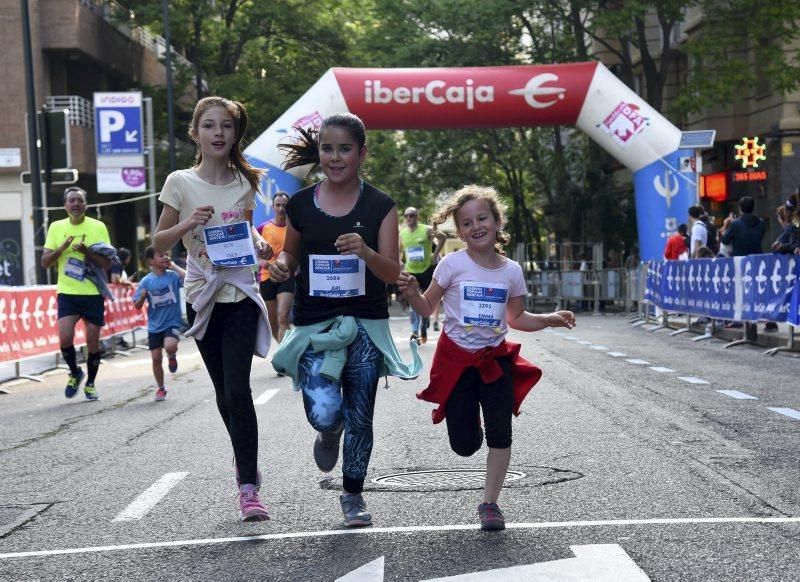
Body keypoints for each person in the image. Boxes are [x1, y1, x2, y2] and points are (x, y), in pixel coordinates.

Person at [269, 113, 421, 528]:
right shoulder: (299, 204)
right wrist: (282, 266)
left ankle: (353, 495)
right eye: (327, 148)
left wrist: (367, 253)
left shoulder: (380, 206)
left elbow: (394, 272)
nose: (335, 157)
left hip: (366, 324)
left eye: (344, 149)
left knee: (361, 415)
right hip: (316, 326)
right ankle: (328, 431)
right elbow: (291, 255)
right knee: (324, 413)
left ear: (361, 153)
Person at [397, 185, 575, 531]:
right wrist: (413, 293)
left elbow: (516, 319)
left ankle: (490, 503)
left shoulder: (511, 271)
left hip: (495, 362)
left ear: (496, 222)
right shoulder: (451, 264)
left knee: (501, 433)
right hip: (457, 362)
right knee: (464, 446)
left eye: (482, 218)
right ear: (459, 230)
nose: (475, 226)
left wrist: (550, 318)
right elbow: (427, 307)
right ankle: (468, 424)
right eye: (466, 222)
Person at [153, 96, 274, 522]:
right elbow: (158, 243)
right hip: (202, 297)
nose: (218, 133)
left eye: (226, 126)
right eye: (209, 125)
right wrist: (188, 224)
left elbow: (243, 233)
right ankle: (247, 461)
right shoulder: (180, 182)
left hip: (239, 292)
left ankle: (247, 487)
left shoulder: (245, 182)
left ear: (235, 134)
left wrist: (258, 243)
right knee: (224, 396)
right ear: (196, 132)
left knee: (239, 391)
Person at [41, 187, 112, 401]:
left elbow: (107, 264)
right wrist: (61, 249)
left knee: (92, 340)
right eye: (71, 200)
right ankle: (75, 372)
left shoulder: (98, 227)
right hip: (67, 292)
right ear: (65, 205)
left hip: (92, 292)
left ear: (85, 204)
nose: (75, 204)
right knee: (64, 336)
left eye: (79, 200)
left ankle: (90, 384)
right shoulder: (56, 227)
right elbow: (45, 262)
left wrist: (87, 253)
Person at [132, 246, 186, 401]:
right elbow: (136, 305)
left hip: (172, 322)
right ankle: (161, 388)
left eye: (165, 254)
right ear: (150, 261)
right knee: (156, 359)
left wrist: (174, 266)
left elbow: (189, 278)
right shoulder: (146, 281)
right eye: (160, 255)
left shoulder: (173, 276)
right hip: (155, 325)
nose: (164, 257)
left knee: (170, 346)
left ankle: (172, 354)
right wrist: (142, 297)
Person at [399, 206, 446, 343]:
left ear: (417, 216)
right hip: (411, 270)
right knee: (413, 300)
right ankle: (414, 331)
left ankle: (424, 325)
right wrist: (400, 262)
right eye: (406, 215)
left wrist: (435, 255)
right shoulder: (402, 234)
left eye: (412, 215)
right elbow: (398, 250)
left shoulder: (425, 230)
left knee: (425, 300)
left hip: (426, 269)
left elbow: (443, 237)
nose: (409, 218)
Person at [258, 191, 295, 343]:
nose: (281, 208)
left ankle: (287, 356)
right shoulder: (262, 228)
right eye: (278, 205)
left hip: (286, 276)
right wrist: (266, 263)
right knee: (273, 323)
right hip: (267, 277)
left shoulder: (294, 229)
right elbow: (255, 255)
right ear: (273, 207)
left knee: (282, 318)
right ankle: (285, 348)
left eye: (284, 205)